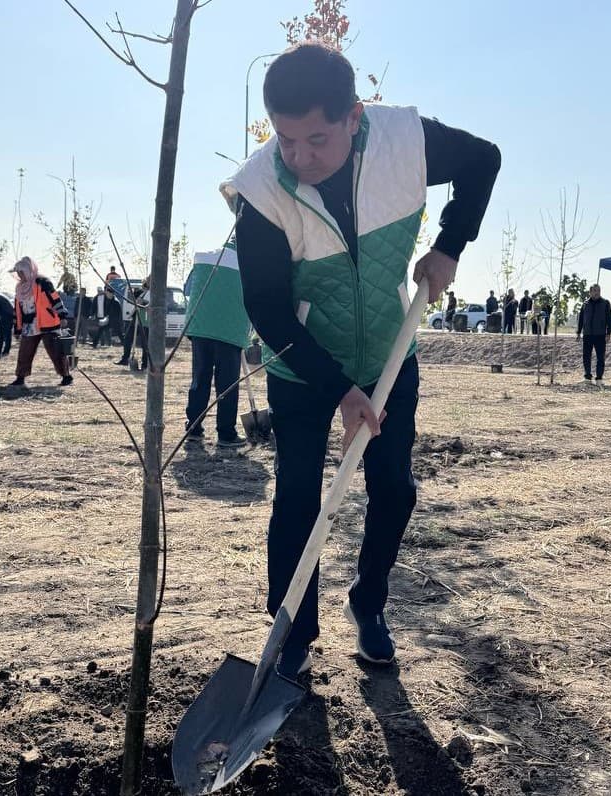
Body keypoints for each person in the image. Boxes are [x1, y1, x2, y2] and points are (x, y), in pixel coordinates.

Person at [223, 43, 500, 677]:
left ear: (354, 117)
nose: (299, 157)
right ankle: (291, 631)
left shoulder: (403, 141)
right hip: (302, 365)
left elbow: (484, 160)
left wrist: (451, 245)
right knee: (296, 496)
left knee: (394, 489)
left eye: (316, 139)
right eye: (285, 139)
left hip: (386, 353)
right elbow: (265, 308)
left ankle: (369, 603)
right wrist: (339, 390)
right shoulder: (261, 189)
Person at [183, 243, 252, 447]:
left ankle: (194, 427)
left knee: (199, 378)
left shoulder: (202, 257)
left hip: (200, 327)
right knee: (227, 384)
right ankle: (226, 433)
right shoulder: (248, 263)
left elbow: (188, 290)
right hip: (230, 331)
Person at [10, 257, 73, 388]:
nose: (19, 275)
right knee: (24, 352)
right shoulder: (19, 288)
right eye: (17, 273)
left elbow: (55, 298)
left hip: (47, 323)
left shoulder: (43, 282)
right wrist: (17, 327)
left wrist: (62, 316)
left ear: (28, 270)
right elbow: (17, 309)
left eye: (21, 272)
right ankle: (20, 378)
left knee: (56, 351)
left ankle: (66, 376)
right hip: (29, 325)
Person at [576, 284, 611, 383]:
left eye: (599, 290)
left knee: (600, 357)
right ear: (590, 292)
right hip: (587, 334)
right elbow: (581, 319)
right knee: (586, 356)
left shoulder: (605, 303)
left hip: (600, 335)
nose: (597, 292)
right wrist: (578, 332)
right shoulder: (585, 304)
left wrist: (609, 332)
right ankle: (587, 377)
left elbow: (610, 319)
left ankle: (599, 378)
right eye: (595, 290)